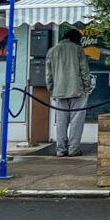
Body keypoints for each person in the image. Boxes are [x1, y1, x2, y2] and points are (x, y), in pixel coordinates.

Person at [45, 28, 93, 157]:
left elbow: (48, 74)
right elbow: (84, 71)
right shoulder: (78, 50)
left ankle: (60, 149)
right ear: (76, 39)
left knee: (61, 122)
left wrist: (51, 89)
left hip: (59, 91)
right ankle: (73, 149)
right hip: (77, 90)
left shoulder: (52, 50)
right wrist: (87, 88)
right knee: (76, 122)